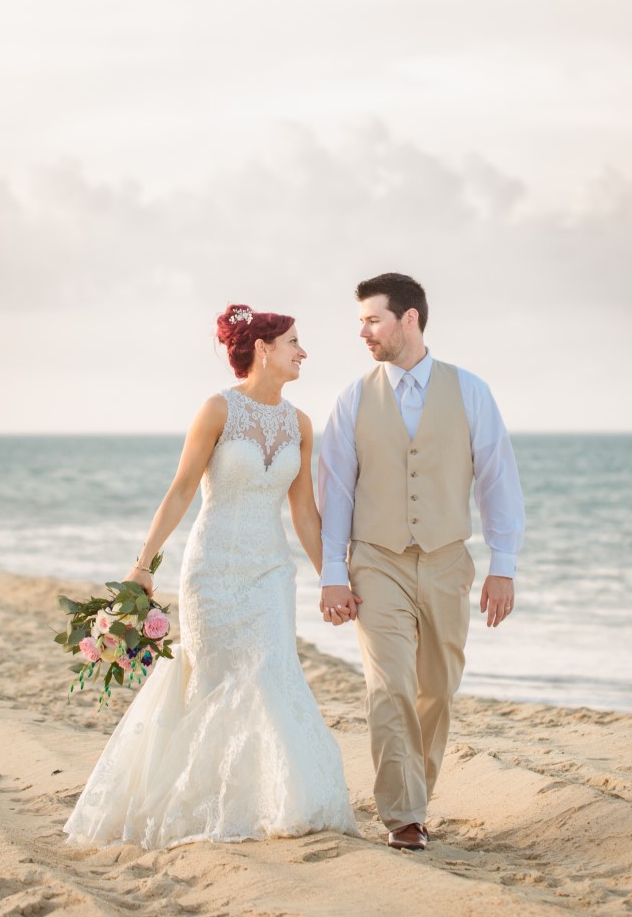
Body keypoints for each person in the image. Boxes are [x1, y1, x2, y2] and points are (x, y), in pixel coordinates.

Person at [65, 304, 357, 848]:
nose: (303, 352)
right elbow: (180, 491)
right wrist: (143, 566)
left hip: (270, 571)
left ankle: (281, 801)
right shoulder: (217, 410)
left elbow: (304, 513)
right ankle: (207, 803)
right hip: (213, 569)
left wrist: (331, 577)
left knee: (270, 672)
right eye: (294, 341)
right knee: (218, 681)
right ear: (263, 348)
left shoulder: (300, 423)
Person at [317, 272, 525, 852]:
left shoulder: (471, 392)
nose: (363, 331)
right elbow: (334, 493)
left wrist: (502, 564)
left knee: (437, 687)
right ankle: (403, 816)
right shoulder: (353, 398)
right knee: (389, 687)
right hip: (376, 562)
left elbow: (497, 479)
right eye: (361, 321)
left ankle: (416, 796)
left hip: (445, 560)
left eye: (372, 319)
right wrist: (334, 574)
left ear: (409, 319)